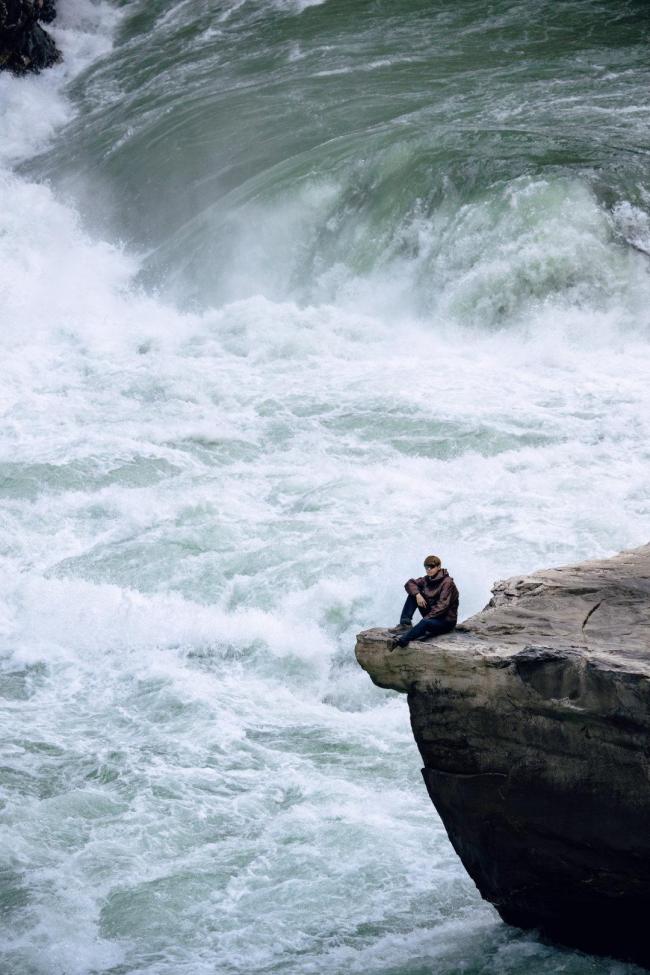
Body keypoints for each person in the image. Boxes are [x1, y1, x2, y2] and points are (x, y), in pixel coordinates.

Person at [388, 555, 459, 650]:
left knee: (425, 622)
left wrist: (425, 620)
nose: (428, 570)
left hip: (446, 622)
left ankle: (400, 642)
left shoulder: (447, 582)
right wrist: (417, 594)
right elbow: (410, 583)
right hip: (433, 616)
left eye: (431, 567)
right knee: (413, 595)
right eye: (426, 567)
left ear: (438, 567)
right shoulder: (426, 579)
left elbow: (443, 605)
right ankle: (405, 625)